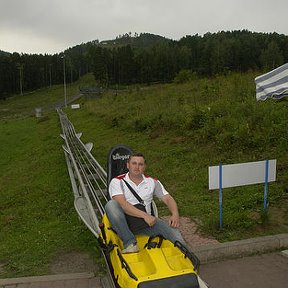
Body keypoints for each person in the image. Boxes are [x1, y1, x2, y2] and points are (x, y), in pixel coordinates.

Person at [105, 152, 186, 253]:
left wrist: (175, 214)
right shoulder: (117, 181)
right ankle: (130, 243)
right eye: (134, 163)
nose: (137, 167)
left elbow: (168, 198)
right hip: (123, 224)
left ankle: (187, 257)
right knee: (111, 205)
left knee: (175, 234)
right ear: (128, 165)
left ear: (144, 167)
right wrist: (144, 215)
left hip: (146, 224)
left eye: (140, 164)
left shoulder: (152, 182)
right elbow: (122, 204)